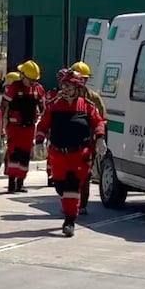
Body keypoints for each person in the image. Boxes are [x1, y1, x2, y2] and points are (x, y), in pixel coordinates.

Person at [34, 68, 106, 237]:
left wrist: (101, 138)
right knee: (60, 186)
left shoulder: (87, 107)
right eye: (64, 86)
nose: (65, 89)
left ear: (78, 89)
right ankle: (69, 204)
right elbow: (43, 125)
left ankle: (69, 221)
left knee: (72, 187)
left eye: (69, 86)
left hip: (79, 154)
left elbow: (98, 122)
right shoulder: (53, 106)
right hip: (58, 154)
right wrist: (38, 141)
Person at [1, 60, 46, 192]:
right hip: (14, 127)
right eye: (30, 80)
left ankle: (20, 183)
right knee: (13, 153)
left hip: (29, 127)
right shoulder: (14, 87)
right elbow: (3, 106)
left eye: (34, 80)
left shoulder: (38, 89)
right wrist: (1, 126)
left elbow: (44, 107)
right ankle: (11, 183)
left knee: (25, 155)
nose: (32, 83)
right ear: (22, 76)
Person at [70, 61, 107, 213]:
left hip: (86, 144)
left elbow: (102, 120)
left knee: (85, 174)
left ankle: (82, 205)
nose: (81, 81)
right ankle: (70, 203)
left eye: (84, 78)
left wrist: (100, 139)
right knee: (67, 176)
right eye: (78, 78)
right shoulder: (61, 98)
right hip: (66, 143)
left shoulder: (94, 99)